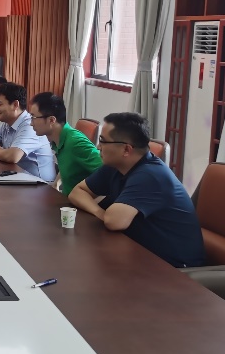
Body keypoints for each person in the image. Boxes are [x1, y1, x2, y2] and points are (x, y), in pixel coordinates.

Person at [68, 112, 205, 268]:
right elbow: (77, 192)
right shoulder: (116, 165)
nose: (98, 146)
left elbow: (114, 221)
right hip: (139, 252)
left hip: (174, 268)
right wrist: (99, 212)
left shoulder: (151, 175)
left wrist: (104, 214)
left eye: (103, 141)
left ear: (126, 149)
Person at [0, 82, 56, 182]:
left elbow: (13, 156)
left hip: (40, 185)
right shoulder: (7, 123)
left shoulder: (30, 125)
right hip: (18, 178)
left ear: (15, 105)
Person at [27, 93, 101, 195]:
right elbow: (70, 162)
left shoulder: (76, 142)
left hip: (76, 203)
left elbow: (110, 173)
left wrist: (93, 203)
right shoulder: (58, 139)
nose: (31, 123)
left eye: (34, 117)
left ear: (51, 120)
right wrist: (56, 182)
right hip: (65, 198)